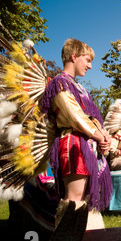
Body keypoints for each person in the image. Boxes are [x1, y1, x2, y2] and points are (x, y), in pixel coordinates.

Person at [41, 38, 112, 230]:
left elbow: (92, 117)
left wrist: (104, 136)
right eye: (87, 60)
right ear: (74, 56)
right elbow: (75, 116)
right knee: (74, 200)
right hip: (73, 145)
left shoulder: (78, 87)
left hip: (87, 145)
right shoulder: (59, 84)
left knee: (88, 198)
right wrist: (98, 135)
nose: (90, 66)